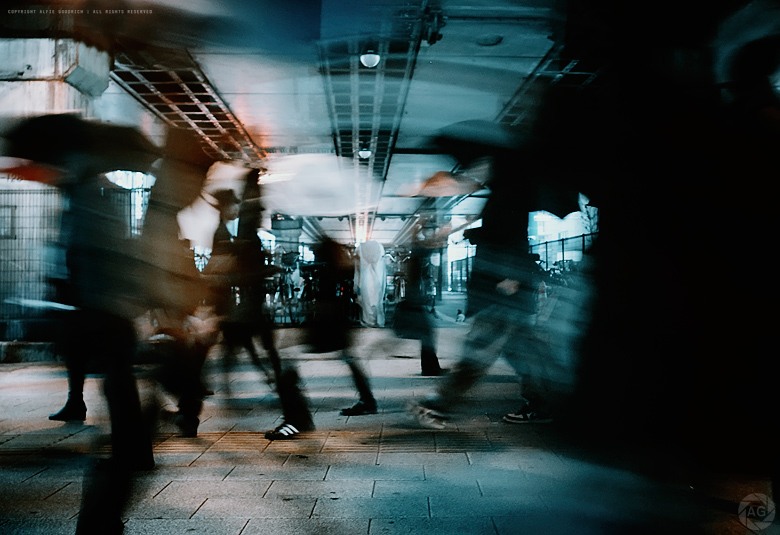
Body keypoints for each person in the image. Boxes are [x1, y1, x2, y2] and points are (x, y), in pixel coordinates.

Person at [304, 237, 378, 416]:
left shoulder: (329, 270)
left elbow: (326, 297)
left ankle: (367, 400)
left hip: (333, 323)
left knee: (350, 360)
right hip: (337, 322)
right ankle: (367, 399)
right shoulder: (338, 268)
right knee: (350, 360)